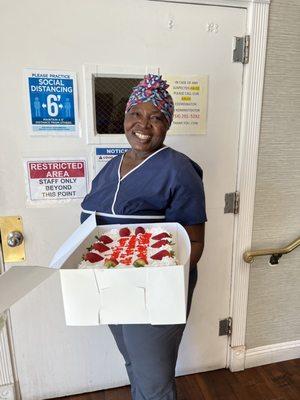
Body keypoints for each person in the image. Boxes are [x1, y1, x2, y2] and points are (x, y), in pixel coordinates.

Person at [80, 74, 207, 400]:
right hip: (111, 285)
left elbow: (195, 243)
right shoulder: (111, 166)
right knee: (133, 362)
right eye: (136, 114)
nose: (144, 124)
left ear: (167, 125)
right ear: (124, 117)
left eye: (157, 118)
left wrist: (158, 284)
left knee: (154, 379)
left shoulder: (178, 169)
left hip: (153, 290)